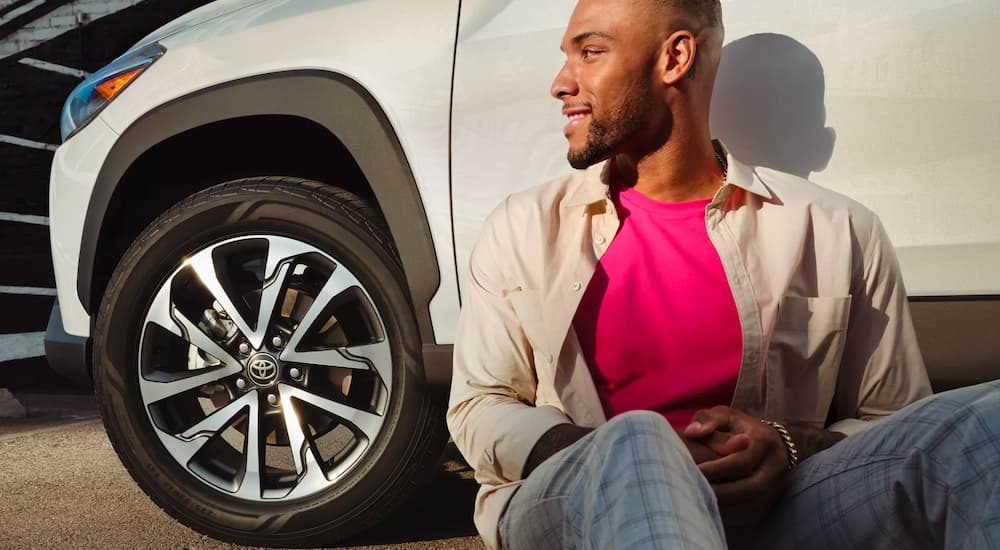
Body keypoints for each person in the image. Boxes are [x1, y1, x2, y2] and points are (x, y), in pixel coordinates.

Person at [446, 0, 1000, 548]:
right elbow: (478, 405)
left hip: (780, 506)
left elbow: (894, 425)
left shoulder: (836, 228)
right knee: (640, 442)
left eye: (590, 52)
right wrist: (605, 448)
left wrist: (786, 446)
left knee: (983, 420)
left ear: (675, 58)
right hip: (580, 504)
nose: (561, 83)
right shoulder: (524, 227)